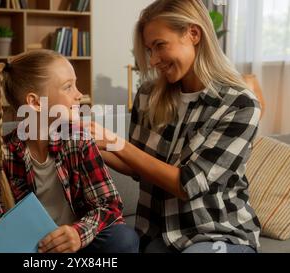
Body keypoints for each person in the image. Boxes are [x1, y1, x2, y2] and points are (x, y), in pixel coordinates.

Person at [89, 0, 261, 253]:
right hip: (158, 233)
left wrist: (116, 143)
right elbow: (137, 165)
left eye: (160, 45)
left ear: (193, 34)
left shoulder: (240, 104)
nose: (153, 60)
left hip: (218, 233)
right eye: (149, 50)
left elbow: (186, 184)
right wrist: (86, 143)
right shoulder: (148, 95)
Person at [0, 49, 139, 253]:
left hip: (77, 246)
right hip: (29, 248)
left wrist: (77, 234)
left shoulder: (80, 142)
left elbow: (110, 206)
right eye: (68, 87)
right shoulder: (3, 153)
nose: (79, 95)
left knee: (123, 238)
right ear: (35, 103)